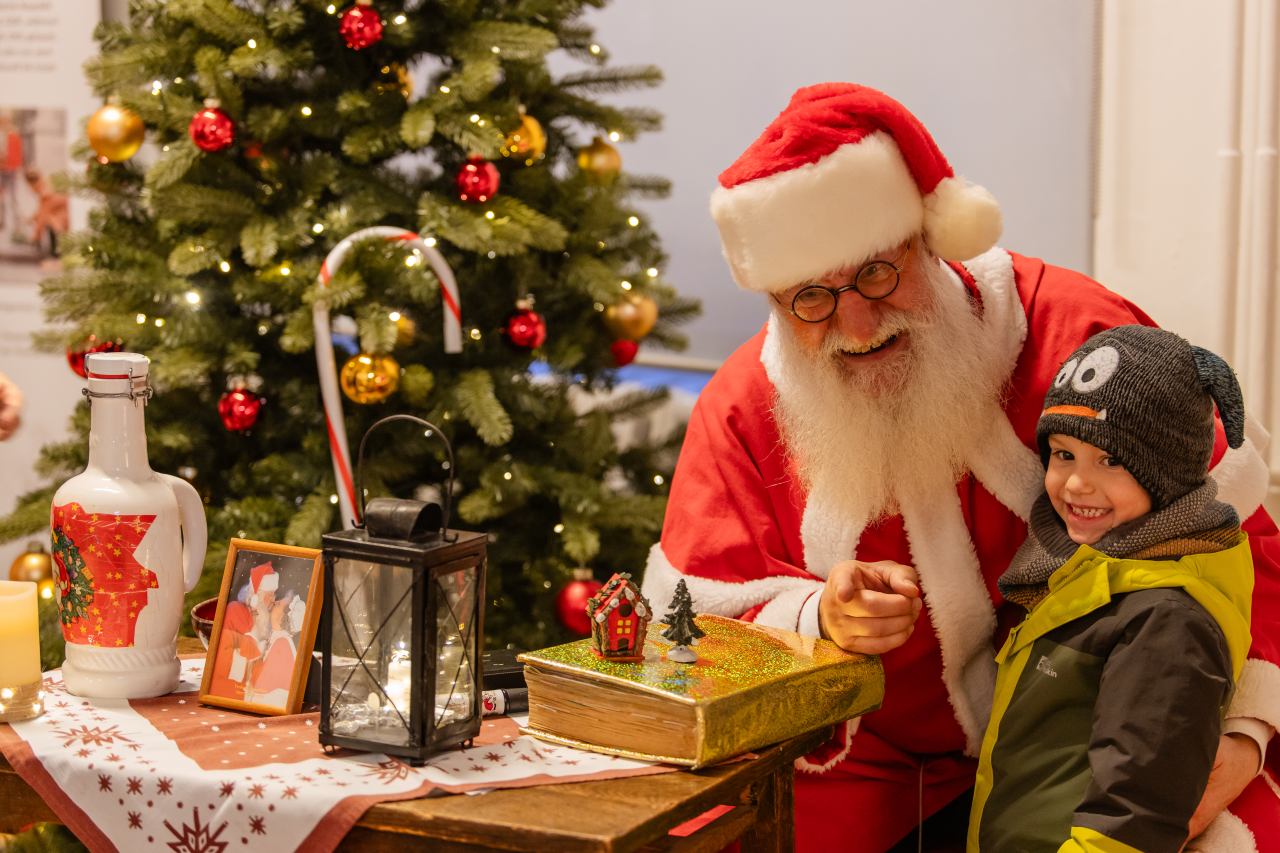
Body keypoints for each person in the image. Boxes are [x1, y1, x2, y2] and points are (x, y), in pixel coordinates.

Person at [640, 83, 1280, 853]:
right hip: (859, 773)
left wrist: (1242, 737)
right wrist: (818, 617)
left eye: (878, 271)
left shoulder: (1080, 336)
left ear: (930, 241)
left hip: (1101, 748)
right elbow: (686, 635)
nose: (857, 323)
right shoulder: (745, 410)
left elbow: (1239, 537)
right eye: (810, 296)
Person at [969, 326, 1252, 853]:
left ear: (1169, 475)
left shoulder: (1166, 620)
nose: (1076, 483)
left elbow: (1132, 821)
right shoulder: (1089, 569)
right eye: (1063, 453)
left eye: (1111, 460)